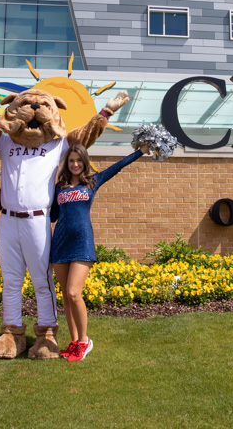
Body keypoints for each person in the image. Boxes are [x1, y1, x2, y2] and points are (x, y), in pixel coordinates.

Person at [50, 143, 149, 362]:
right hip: (59, 244)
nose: (75, 164)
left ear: (84, 162)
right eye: (71, 160)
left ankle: (85, 341)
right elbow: (52, 216)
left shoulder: (93, 182)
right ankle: (74, 342)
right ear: (67, 163)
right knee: (66, 296)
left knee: (75, 293)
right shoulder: (59, 186)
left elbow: (118, 166)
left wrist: (140, 151)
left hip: (82, 244)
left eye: (79, 160)